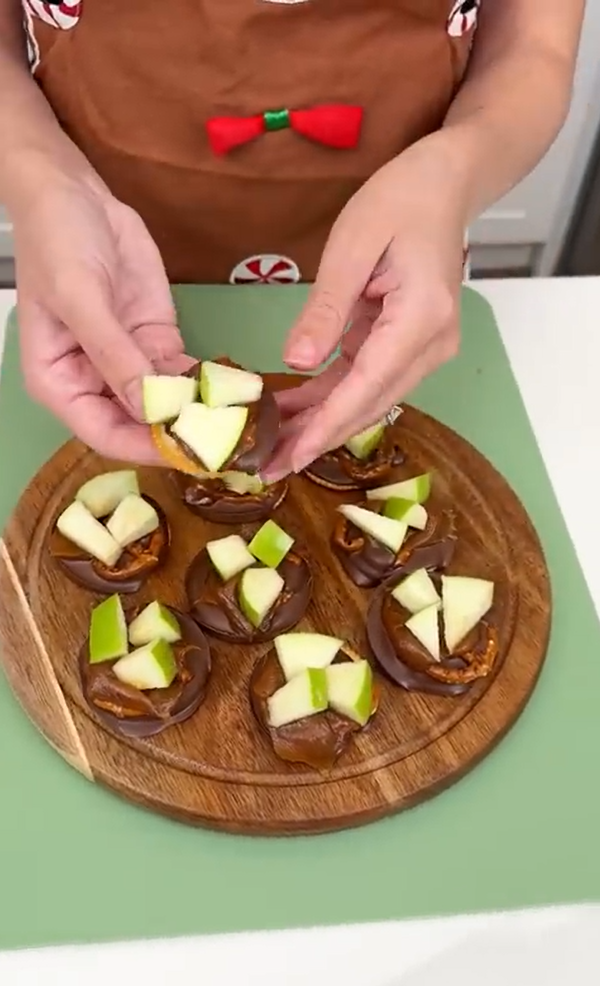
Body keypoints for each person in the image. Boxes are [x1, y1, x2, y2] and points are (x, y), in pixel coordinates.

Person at [0, 1, 585, 482]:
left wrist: (455, 174)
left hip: (404, 269)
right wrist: (41, 183)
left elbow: (535, 48)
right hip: (98, 251)